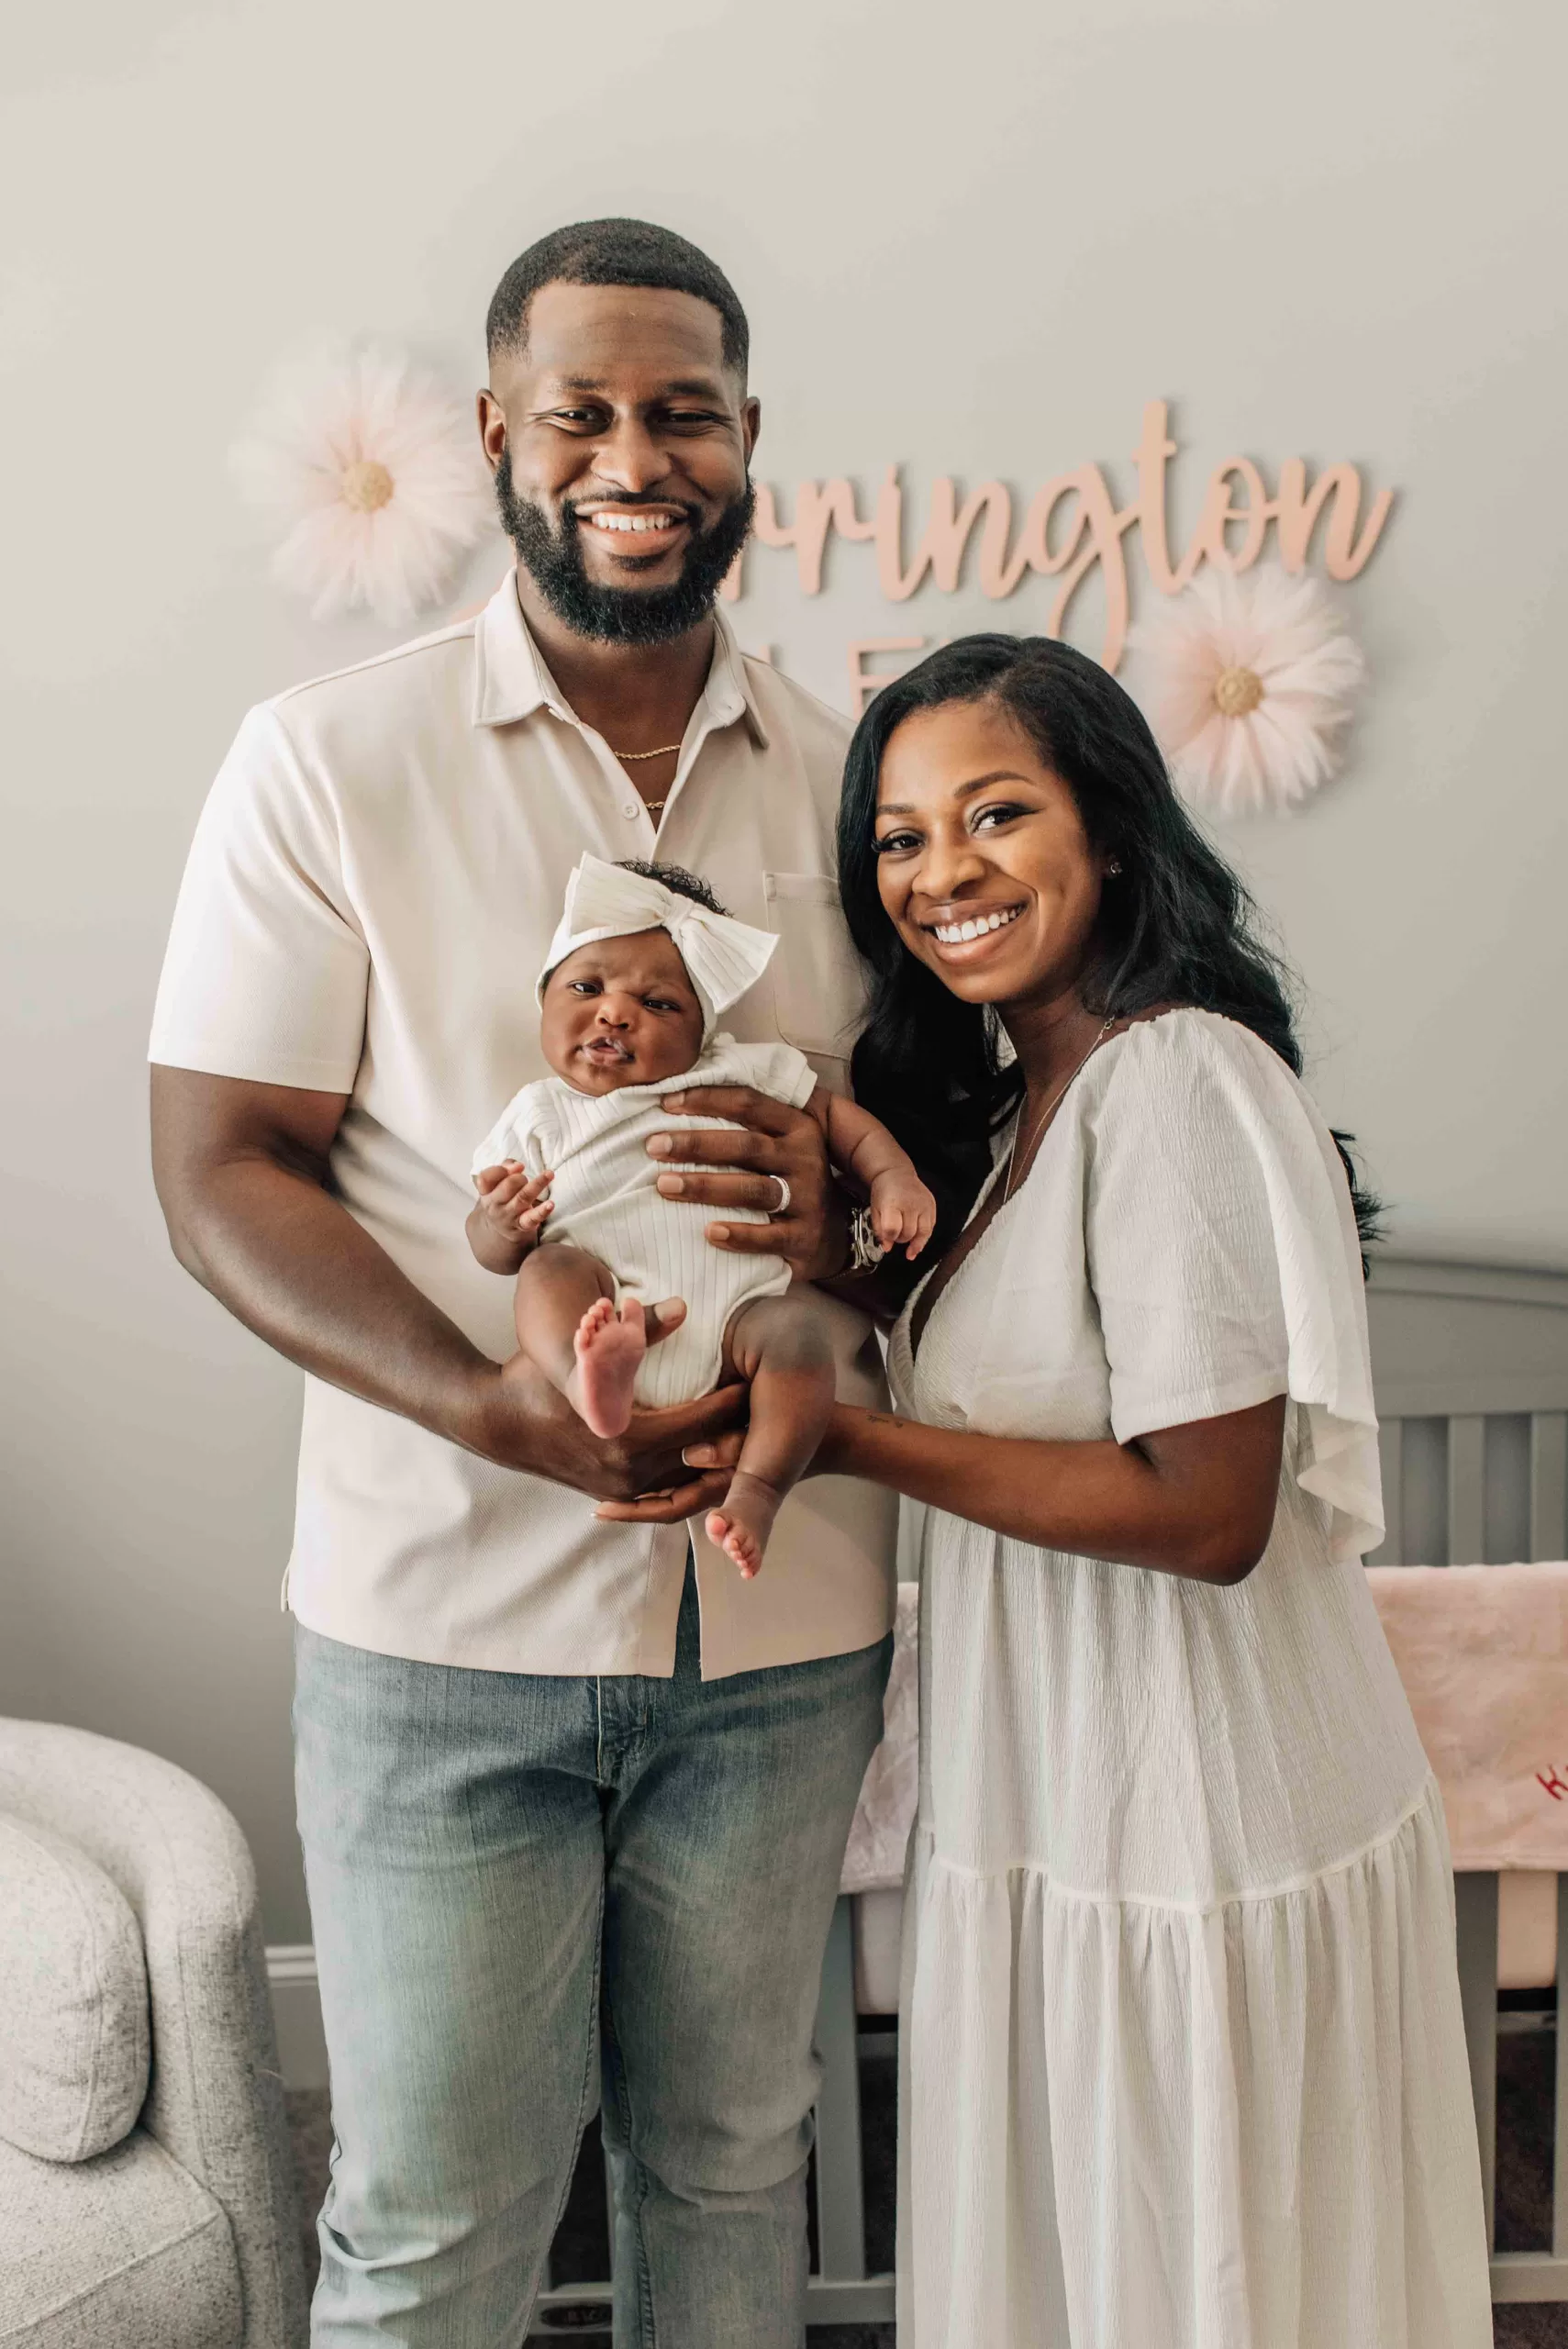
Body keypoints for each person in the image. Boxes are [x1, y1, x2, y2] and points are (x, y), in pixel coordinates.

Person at [148, 217, 896, 2348]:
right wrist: (482, 1399)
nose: (632, 455)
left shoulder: (862, 786)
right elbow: (220, 1164)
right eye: (580, 411)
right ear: (499, 435)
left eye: (684, 411)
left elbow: (924, 1188)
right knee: (439, 2224)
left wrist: (833, 1259)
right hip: (438, 1625)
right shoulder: (327, 763)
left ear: (753, 441)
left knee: (737, 2169)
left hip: (783, 1622)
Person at [678, 632, 1495, 2344]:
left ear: (1107, 830)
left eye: (993, 814)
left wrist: (846, 1439)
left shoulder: (1174, 1077)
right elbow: (1038, 1375)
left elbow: (1203, 1513)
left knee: (1196, 2273)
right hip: (1066, 1803)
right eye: (897, 838)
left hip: (1192, 1819)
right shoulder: (1014, 1108)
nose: (938, 873)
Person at [467, 852, 935, 1573]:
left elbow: (841, 1120)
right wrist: (500, 1228)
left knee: (799, 1340)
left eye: (658, 1005)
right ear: (544, 1003)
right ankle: (585, 1379)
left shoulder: (739, 1068)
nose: (616, 1011)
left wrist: (892, 1177)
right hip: (603, 1294)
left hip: (737, 1317)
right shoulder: (541, 1112)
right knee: (546, 1270)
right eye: (586, 987)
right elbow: (490, 1247)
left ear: (701, 1034)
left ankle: (757, 1490)